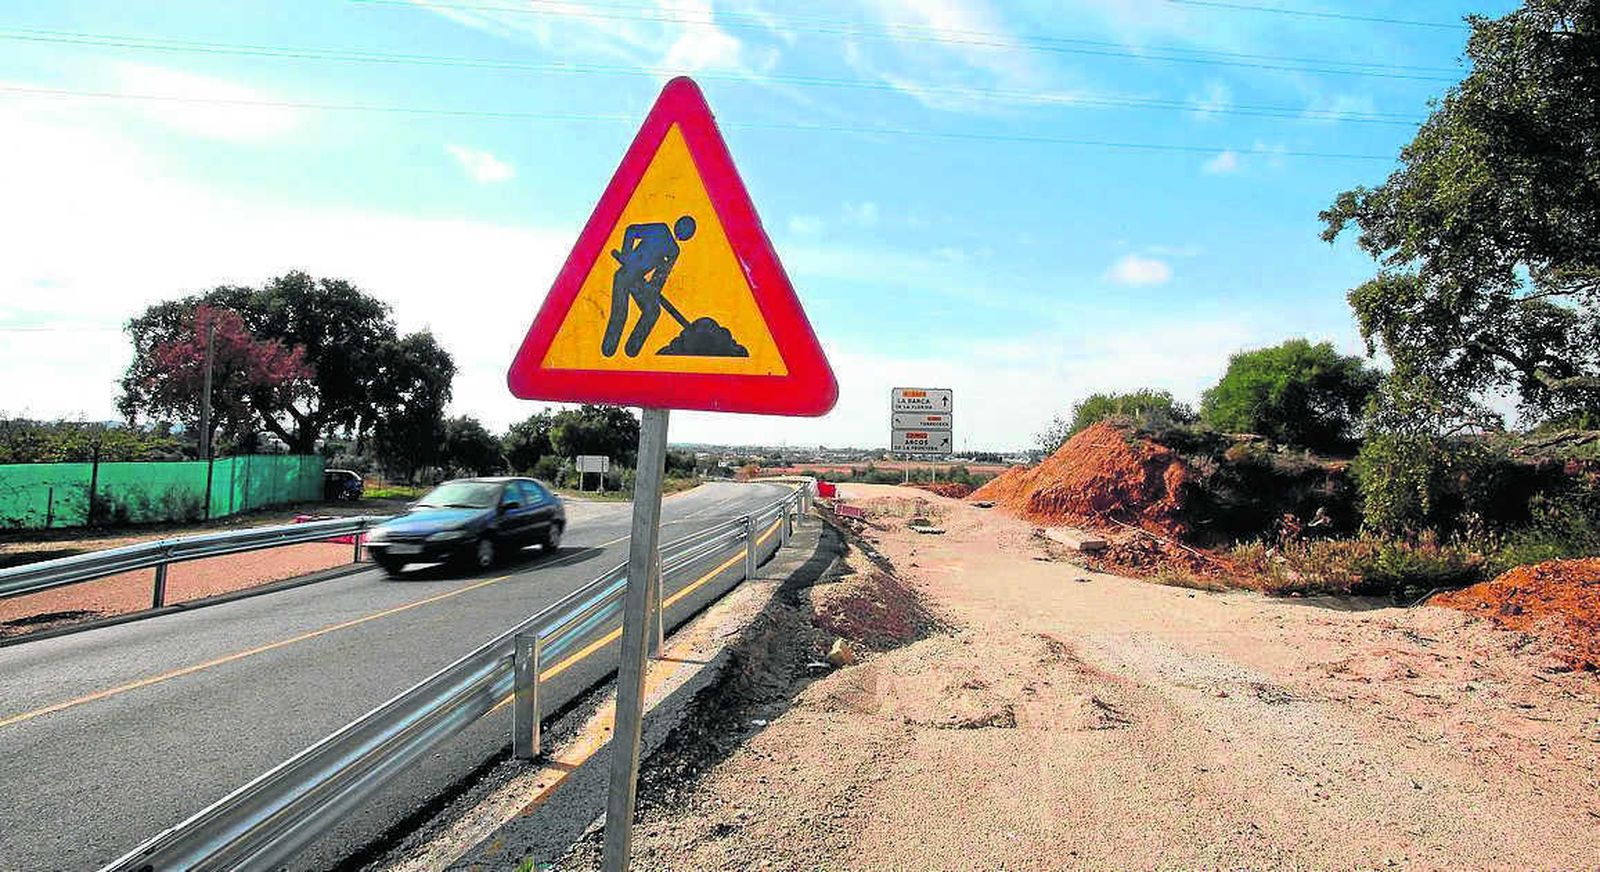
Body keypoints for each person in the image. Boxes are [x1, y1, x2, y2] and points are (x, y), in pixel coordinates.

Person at [602, 215, 696, 358]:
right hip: (625, 274)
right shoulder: (660, 230)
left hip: (638, 282)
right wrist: (627, 255)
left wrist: (653, 289)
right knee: (620, 313)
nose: (684, 233)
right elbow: (631, 230)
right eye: (685, 229)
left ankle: (632, 349)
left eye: (688, 232)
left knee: (653, 311)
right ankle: (608, 349)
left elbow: (661, 276)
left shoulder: (674, 250)